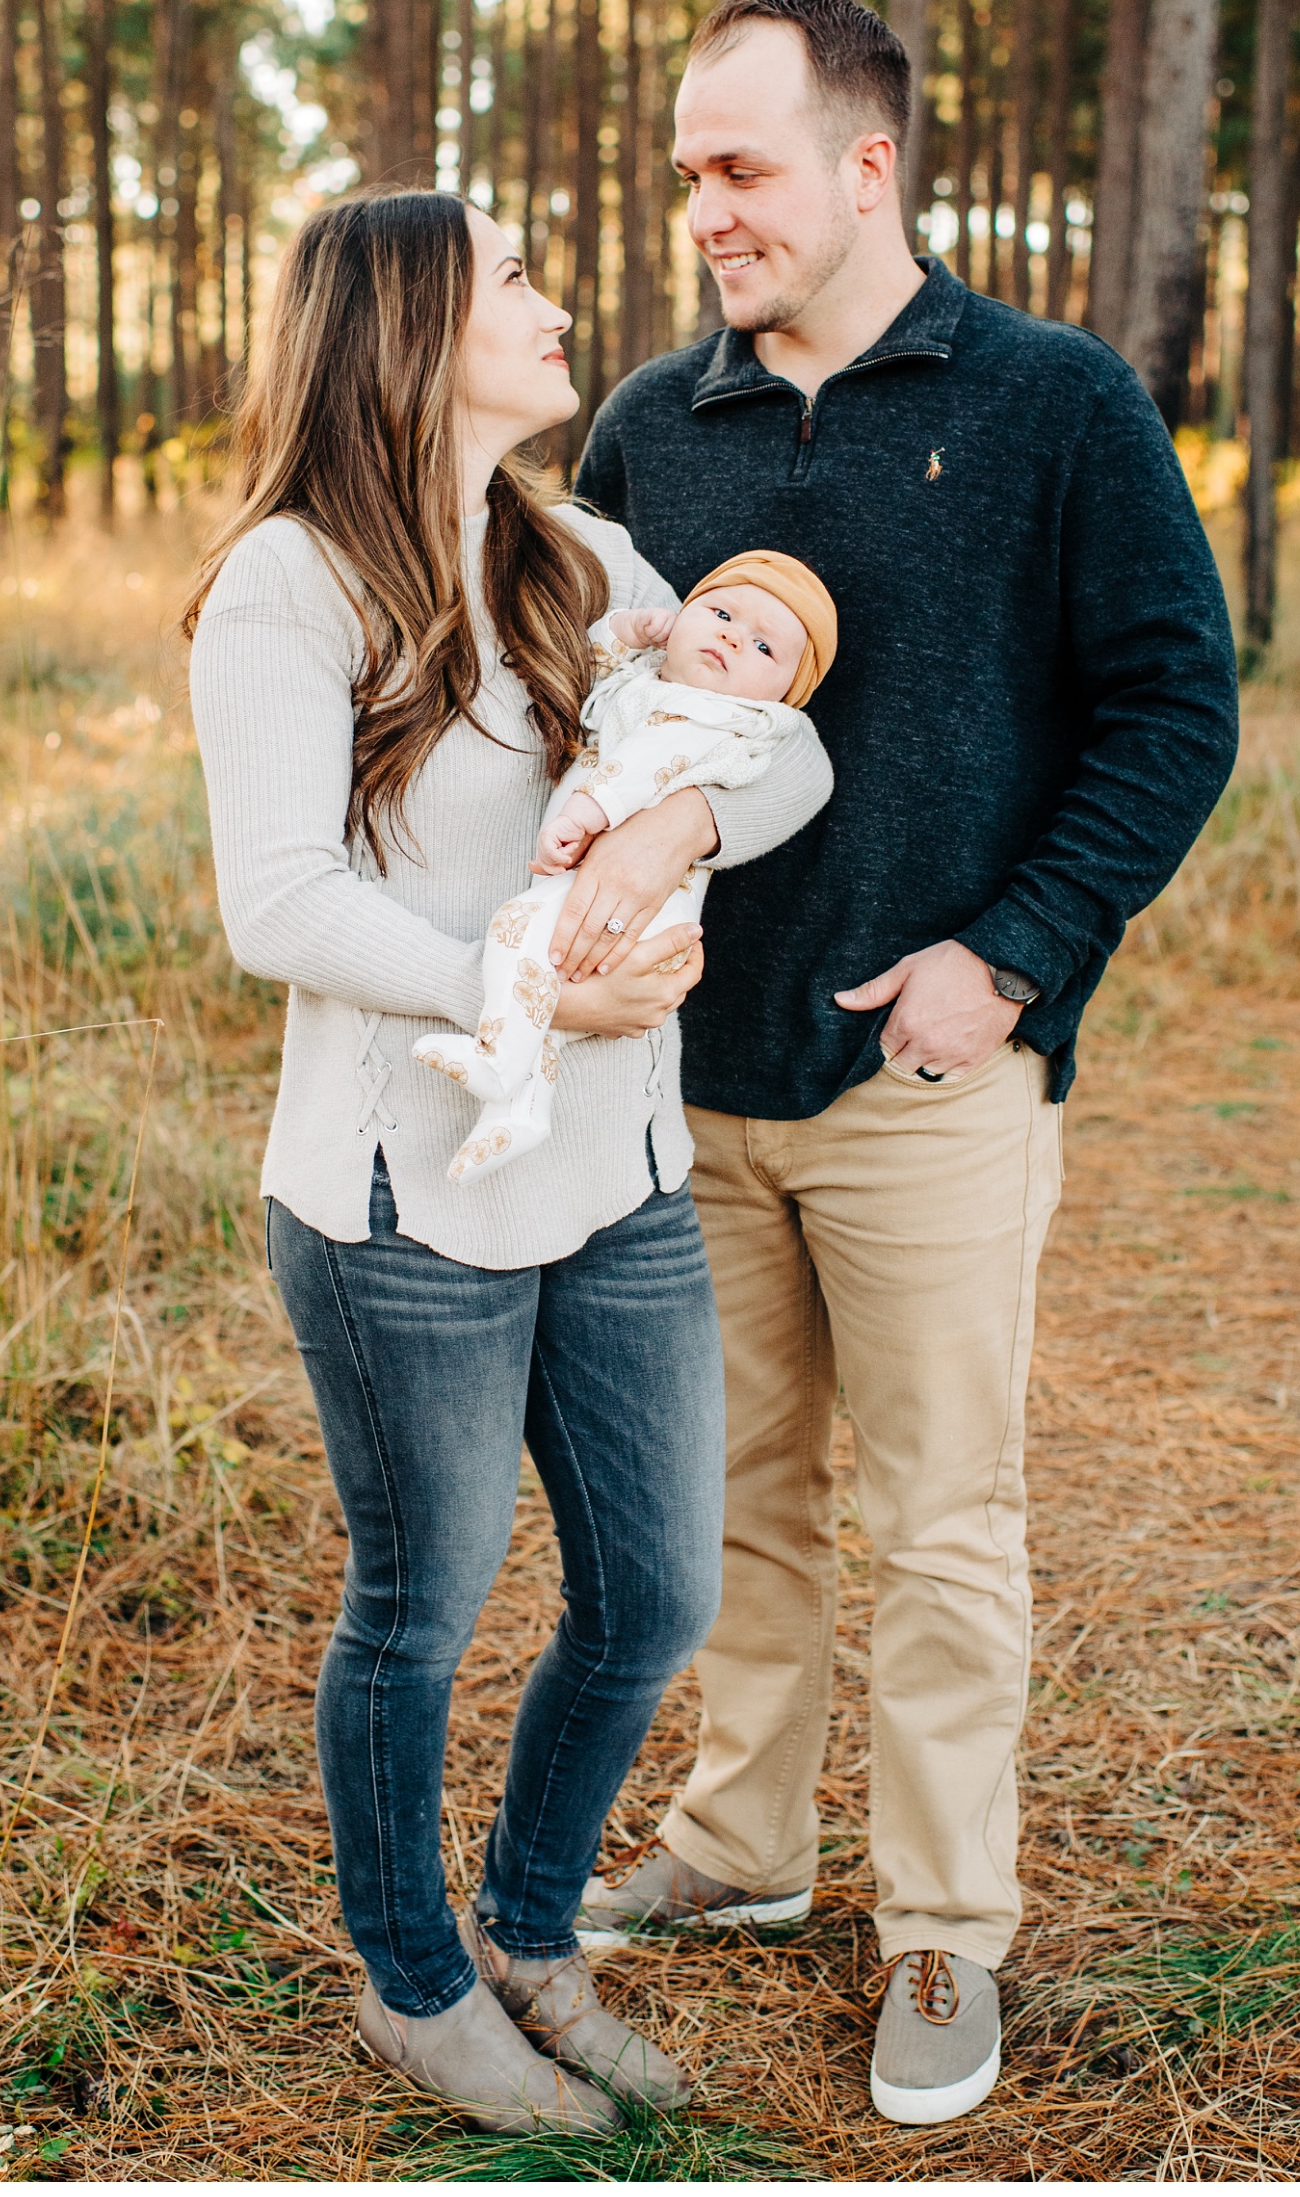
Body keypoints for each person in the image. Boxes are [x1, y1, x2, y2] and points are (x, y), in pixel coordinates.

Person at [562, 0, 1241, 2129]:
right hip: (687, 1081)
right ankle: (746, 1845)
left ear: (871, 164)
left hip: (932, 1083)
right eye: (686, 170)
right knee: (731, 1497)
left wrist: (1016, 958)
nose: (703, 212)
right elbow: (599, 710)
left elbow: (1172, 705)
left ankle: (947, 1929)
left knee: (945, 1518)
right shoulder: (649, 432)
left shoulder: (1054, 404)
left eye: (740, 169)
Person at [185, 189, 833, 2135]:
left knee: (656, 1592)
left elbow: (779, 740)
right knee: (422, 1602)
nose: (563, 306)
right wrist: (522, 970)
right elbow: (277, 902)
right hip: (406, 1201)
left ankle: (533, 1929)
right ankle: (414, 1979)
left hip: (618, 1175)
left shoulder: (581, 553)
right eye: (521, 280)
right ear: (407, 328)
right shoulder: (288, 588)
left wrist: (668, 845)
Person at [416, 552, 841, 1180]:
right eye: (720, 612)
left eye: (762, 647)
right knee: (546, 990)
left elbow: (646, 765)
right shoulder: (656, 680)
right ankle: (522, 1109)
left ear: (787, 692)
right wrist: (623, 633)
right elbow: (595, 679)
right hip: (598, 897)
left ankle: (500, 1062)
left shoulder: (728, 720)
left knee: (515, 929)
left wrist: (584, 816)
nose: (730, 635)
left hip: (628, 906)